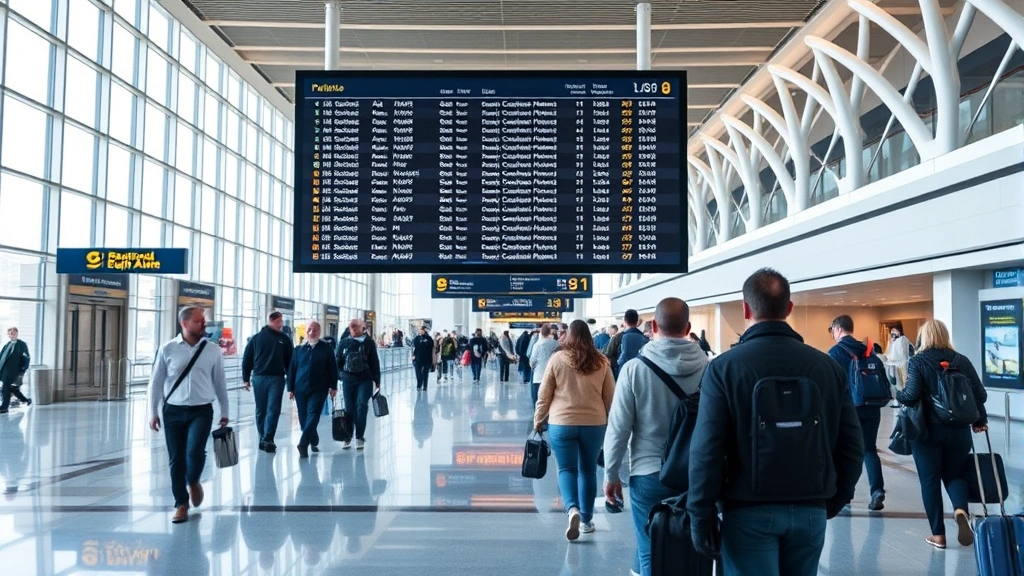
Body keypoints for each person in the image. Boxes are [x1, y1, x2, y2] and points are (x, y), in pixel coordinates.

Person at [687, 268, 864, 575]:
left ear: (745, 309)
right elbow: (852, 445)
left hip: (747, 511)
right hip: (811, 509)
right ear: (789, 308)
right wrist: (833, 499)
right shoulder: (827, 367)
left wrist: (700, 514)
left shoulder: (725, 368)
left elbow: (707, 449)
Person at [603, 298, 708, 576]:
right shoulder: (710, 368)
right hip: (697, 473)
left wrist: (611, 474)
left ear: (654, 327)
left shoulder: (634, 370)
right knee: (695, 547)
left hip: (650, 473)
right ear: (688, 327)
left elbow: (618, 428)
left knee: (649, 547)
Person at [896, 319, 988, 550]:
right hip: (958, 432)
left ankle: (938, 536)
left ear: (923, 337)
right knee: (955, 474)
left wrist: (897, 392)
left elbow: (911, 396)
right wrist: (980, 420)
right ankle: (960, 510)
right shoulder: (961, 361)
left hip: (927, 432)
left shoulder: (918, 362)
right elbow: (980, 395)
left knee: (930, 480)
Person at [533, 319, 615, 542]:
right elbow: (610, 397)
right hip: (594, 423)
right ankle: (587, 520)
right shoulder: (601, 361)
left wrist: (538, 420)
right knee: (588, 471)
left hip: (562, 422)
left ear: (568, 335)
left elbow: (544, 395)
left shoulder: (557, 359)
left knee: (567, 469)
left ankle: (572, 510)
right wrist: (613, 425)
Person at [148, 306, 229, 524]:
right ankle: (181, 504)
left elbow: (220, 382)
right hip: (172, 410)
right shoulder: (168, 349)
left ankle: (193, 480)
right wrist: (153, 412)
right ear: (184, 324)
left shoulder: (213, 350)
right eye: (198, 321)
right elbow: (155, 383)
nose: (204, 324)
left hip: (201, 409)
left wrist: (225, 410)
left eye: (203, 320)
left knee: (194, 451)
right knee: (176, 459)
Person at [827, 315, 889, 512]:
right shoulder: (868, 349)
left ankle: (846, 495)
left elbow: (831, 385)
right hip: (871, 405)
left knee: (844, 451)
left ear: (837, 329)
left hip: (848, 409)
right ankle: (877, 490)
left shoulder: (835, 352)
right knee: (869, 449)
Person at [242, 311, 294, 453]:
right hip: (259, 377)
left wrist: (291, 384)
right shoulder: (256, 339)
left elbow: (290, 362)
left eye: (281, 321)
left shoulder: (285, 339)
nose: (281, 324)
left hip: (277, 378)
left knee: (273, 409)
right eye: (278, 321)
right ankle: (263, 438)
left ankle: (268, 438)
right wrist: (245, 378)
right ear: (271, 321)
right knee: (261, 410)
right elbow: (247, 358)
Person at [286, 321, 338, 458]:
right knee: (303, 419)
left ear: (319, 332)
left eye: (314, 330)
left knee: (314, 413)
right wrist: (290, 387)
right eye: (309, 330)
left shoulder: (326, 349)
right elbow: (292, 369)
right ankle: (313, 439)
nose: (311, 332)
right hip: (300, 389)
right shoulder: (299, 349)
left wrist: (334, 386)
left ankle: (303, 443)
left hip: (319, 388)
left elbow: (333, 368)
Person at [336, 318, 381, 450]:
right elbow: (337, 362)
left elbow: (374, 362)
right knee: (349, 408)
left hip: (365, 379)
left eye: (356, 327)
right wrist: (340, 376)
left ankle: (359, 436)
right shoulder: (344, 343)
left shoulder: (369, 343)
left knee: (361, 405)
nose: (354, 330)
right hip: (348, 379)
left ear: (363, 328)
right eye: (352, 327)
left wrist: (377, 380)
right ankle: (347, 435)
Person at [606, 310, 647, 379]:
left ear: (625, 322)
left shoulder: (618, 337)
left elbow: (608, 353)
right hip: (641, 375)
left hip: (621, 375)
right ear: (637, 322)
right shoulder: (645, 339)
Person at [0, 327, 31, 413]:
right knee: (13, 389)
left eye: (14, 332)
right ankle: (27, 400)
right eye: (10, 333)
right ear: (8, 335)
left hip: (15, 371)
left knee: (5, 388)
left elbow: (26, 357)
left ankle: (4, 407)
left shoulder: (21, 344)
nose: (12, 334)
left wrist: (23, 370)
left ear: (17, 334)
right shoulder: (7, 345)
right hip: (5, 370)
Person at [528, 324, 559, 406]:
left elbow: (532, 362)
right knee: (550, 400)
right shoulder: (556, 344)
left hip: (539, 376)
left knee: (538, 400)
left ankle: (539, 417)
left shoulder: (537, 345)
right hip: (552, 376)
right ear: (550, 332)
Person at [886, 322, 914, 405]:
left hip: (902, 364)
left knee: (904, 382)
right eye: (891, 331)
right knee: (897, 383)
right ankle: (900, 400)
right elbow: (890, 353)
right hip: (895, 365)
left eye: (894, 330)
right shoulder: (894, 341)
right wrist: (891, 342)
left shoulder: (903, 339)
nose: (892, 332)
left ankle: (905, 400)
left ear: (899, 330)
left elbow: (902, 353)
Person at [411, 326, 435, 391]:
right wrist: (413, 355)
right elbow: (414, 347)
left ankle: (425, 386)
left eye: (422, 330)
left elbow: (432, 347)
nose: (421, 331)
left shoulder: (429, 338)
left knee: (425, 372)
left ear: (425, 331)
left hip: (427, 358)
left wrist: (433, 359)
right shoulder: (417, 338)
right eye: (420, 330)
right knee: (418, 371)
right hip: (418, 357)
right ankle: (419, 383)